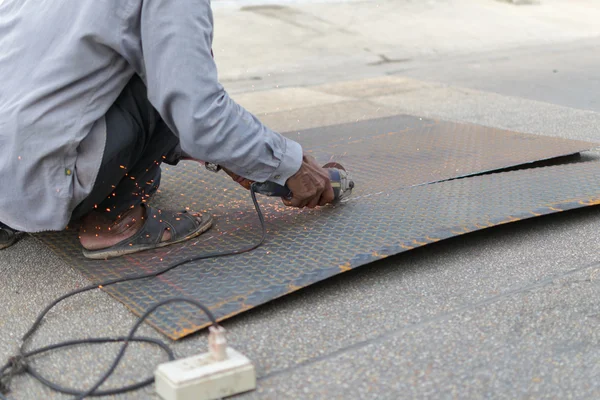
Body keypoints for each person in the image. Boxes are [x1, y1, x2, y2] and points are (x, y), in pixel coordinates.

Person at [0, 0, 334, 259]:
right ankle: (114, 223)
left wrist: (230, 157)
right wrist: (288, 165)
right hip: (33, 176)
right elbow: (198, 112)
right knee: (167, 73)